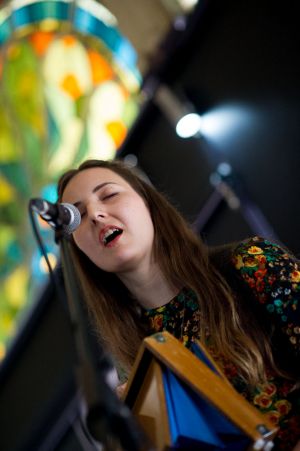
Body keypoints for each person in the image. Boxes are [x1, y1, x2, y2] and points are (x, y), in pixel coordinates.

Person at [57, 158, 300, 450]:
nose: (95, 214)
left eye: (108, 195)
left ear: (148, 203)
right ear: (79, 250)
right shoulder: (135, 370)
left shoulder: (253, 262)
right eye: (78, 216)